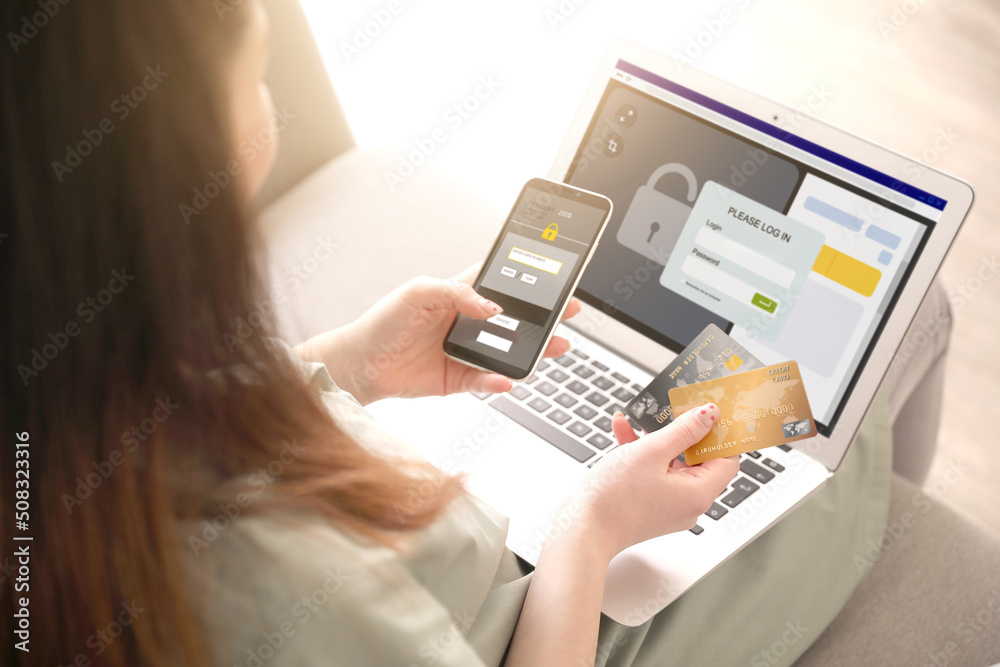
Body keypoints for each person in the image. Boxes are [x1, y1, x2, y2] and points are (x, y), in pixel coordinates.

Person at [0, 1, 892, 665]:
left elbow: (172, 414)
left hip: (462, 565)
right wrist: (589, 527)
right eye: (257, 70)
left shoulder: (64, 360)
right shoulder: (273, 584)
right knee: (845, 410)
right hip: (559, 630)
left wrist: (347, 363)